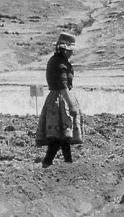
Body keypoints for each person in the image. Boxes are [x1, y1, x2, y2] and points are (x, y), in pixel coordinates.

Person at [36, 32, 83, 168]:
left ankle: (68, 163)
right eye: (69, 51)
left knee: (63, 136)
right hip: (59, 102)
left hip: (55, 100)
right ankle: (48, 163)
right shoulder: (59, 63)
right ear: (63, 49)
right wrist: (72, 106)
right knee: (58, 137)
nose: (71, 53)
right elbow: (63, 87)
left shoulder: (55, 60)